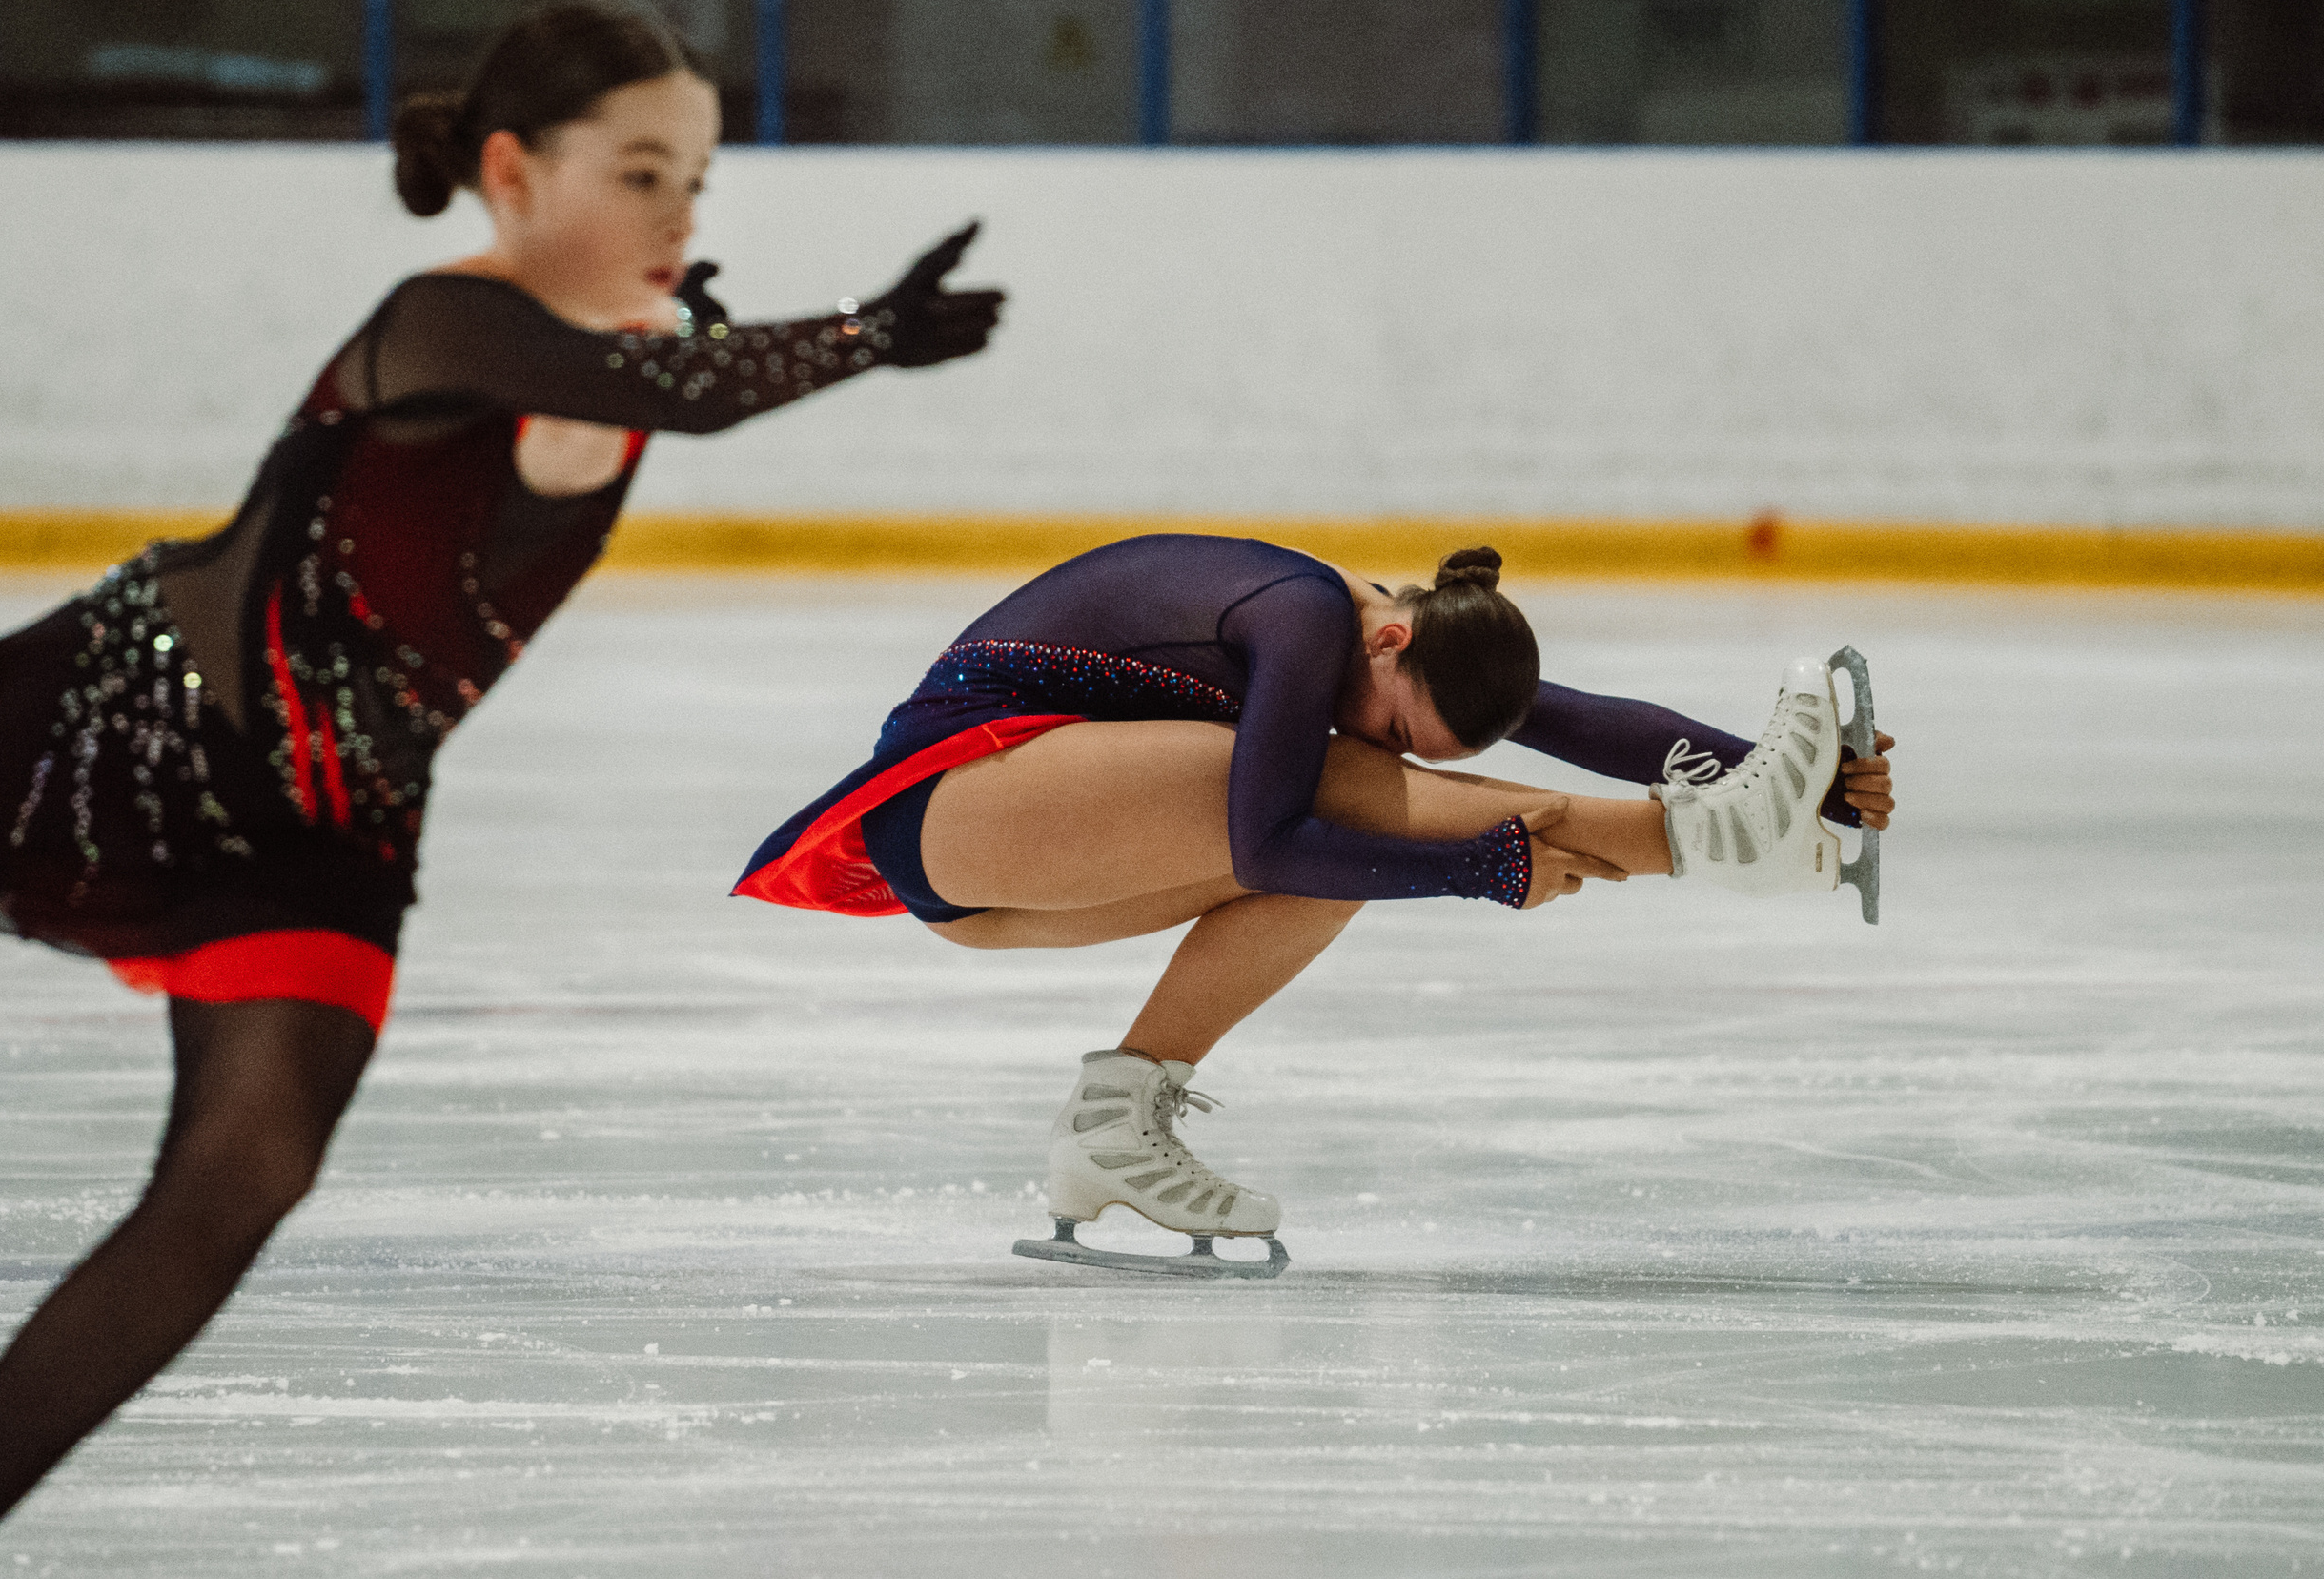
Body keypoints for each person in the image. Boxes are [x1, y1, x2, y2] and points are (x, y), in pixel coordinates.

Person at [0, 0, 1001, 1577]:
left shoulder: (607, 366)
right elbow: (661, 390)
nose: (680, 214)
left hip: (329, 818)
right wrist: (861, 335)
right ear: (512, 171)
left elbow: (637, 391)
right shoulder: (437, 316)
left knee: (247, 1168)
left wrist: (698, 343)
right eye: (639, 173)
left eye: (695, 177)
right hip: (112, 712)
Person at [736, 535, 1895, 1274]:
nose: (1388, 730)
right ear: (1391, 640)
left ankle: (1115, 1122)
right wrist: (1479, 868)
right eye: (1398, 719)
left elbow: (1583, 719)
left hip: (1017, 844)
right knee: (1337, 807)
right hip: (959, 795)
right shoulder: (1299, 613)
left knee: (1343, 829)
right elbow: (1268, 837)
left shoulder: (1404, 645)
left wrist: (1816, 787)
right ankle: (1730, 842)